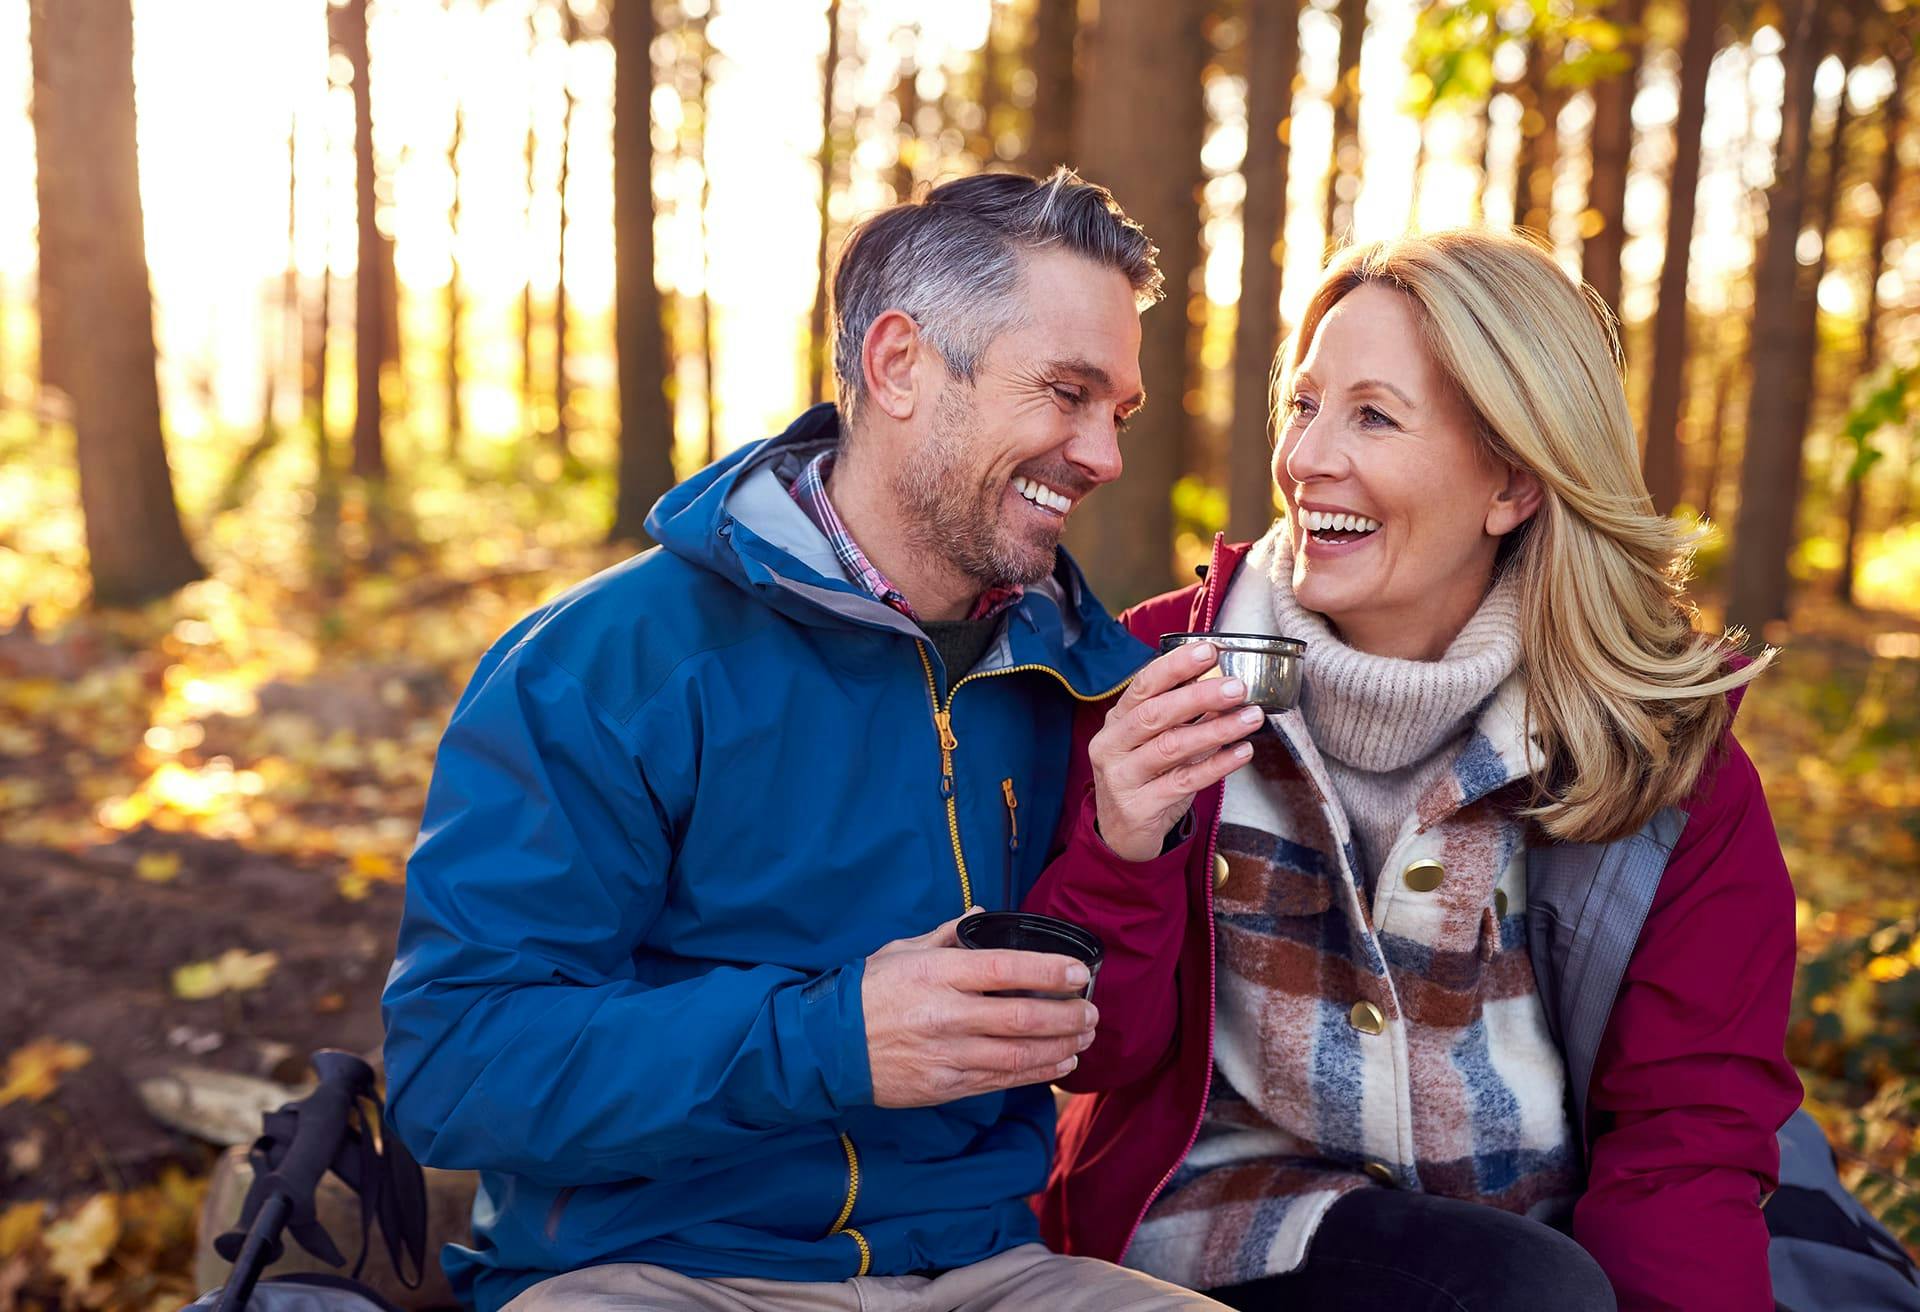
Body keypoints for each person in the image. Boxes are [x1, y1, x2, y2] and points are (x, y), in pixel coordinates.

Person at [380, 169, 1237, 1312]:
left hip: (988, 1272)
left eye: (1115, 413)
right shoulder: (606, 666)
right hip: (653, 1275)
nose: (1104, 456)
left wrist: (1131, 851)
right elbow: (456, 1065)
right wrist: (828, 1038)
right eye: (1066, 393)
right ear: (899, 366)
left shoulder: (1073, 672)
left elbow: (1108, 1056)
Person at [1023, 229, 1802, 1311]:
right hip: (1226, 1222)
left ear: (1514, 486)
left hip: (1539, 1224)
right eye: (1304, 406)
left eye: (1374, 416)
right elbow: (1096, 1056)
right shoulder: (1158, 677)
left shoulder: (1662, 759)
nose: (1305, 459)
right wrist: (1123, 843)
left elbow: (1684, 1137)